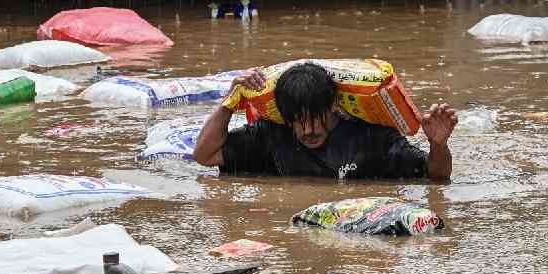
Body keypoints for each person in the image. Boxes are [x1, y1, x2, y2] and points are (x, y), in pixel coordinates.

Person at [193, 62, 458, 181]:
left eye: (315, 119)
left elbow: (436, 176)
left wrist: (438, 145)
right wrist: (230, 101)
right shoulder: (270, 135)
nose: (308, 131)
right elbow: (205, 155)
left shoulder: (373, 138)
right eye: (298, 121)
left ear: (333, 106)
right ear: (285, 119)